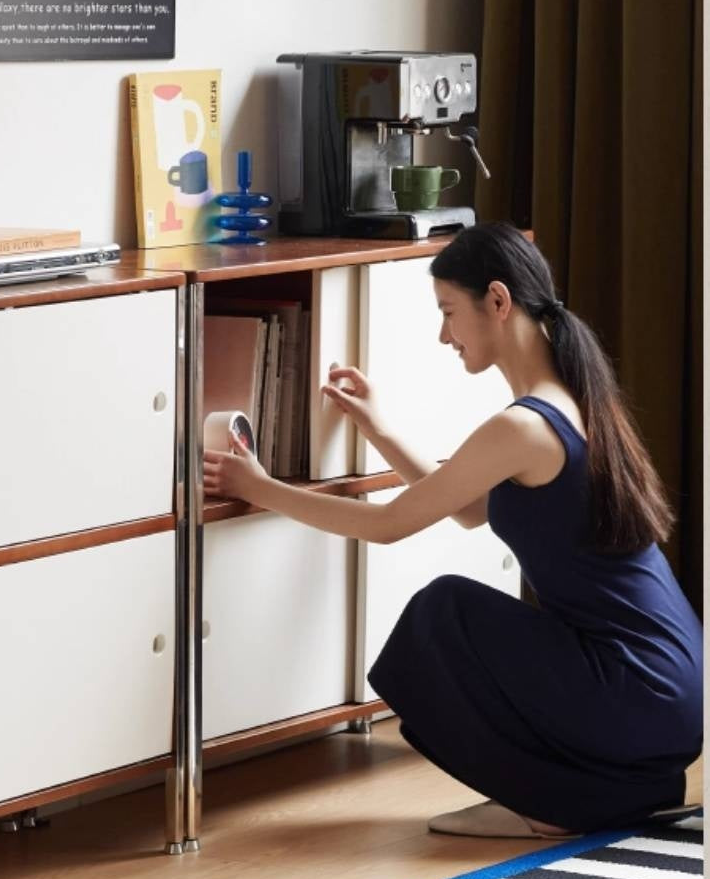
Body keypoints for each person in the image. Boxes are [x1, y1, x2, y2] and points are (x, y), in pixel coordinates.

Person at [203, 222, 703, 838]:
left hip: (633, 685)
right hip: (669, 687)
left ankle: (554, 804)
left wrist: (257, 487)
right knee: (459, 611)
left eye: (448, 312)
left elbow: (389, 526)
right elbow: (468, 507)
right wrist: (378, 426)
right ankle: (608, 792)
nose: (444, 335)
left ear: (497, 301)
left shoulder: (523, 426)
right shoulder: (575, 399)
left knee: (445, 612)